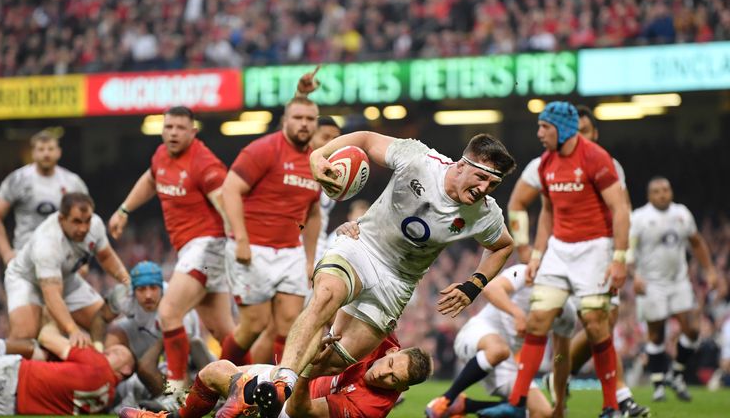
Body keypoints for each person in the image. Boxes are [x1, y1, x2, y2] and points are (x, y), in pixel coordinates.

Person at [250, 130, 516, 417]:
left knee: (339, 360)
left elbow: (503, 245)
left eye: (493, 183)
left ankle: (266, 384)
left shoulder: (485, 213)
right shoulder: (418, 160)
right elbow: (364, 139)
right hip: (363, 247)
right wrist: (319, 154)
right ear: (462, 164)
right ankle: (281, 383)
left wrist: (474, 285)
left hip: (397, 283)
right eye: (482, 176)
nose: (485, 188)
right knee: (326, 296)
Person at [506, 105, 649, 417]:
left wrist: (620, 259)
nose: (539, 133)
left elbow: (621, 210)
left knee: (597, 325)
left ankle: (612, 404)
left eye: (544, 127)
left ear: (561, 128)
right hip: (559, 248)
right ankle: (516, 403)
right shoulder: (544, 163)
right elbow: (547, 211)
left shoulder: (597, 159)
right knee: (537, 320)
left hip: (596, 248)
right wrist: (535, 254)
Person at [108, 106, 233, 395]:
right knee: (223, 331)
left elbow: (227, 205)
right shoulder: (161, 156)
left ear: (193, 132)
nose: (173, 132)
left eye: (180, 127)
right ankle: (251, 387)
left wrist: (240, 240)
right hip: (192, 248)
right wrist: (124, 210)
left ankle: (175, 393)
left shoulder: (204, 163)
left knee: (168, 312)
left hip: (208, 244)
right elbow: (151, 180)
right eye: (169, 127)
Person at [220, 70, 323, 367]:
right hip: (253, 248)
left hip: (290, 251)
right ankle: (219, 384)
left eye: (310, 119)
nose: (304, 124)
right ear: (285, 121)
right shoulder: (263, 149)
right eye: (298, 118)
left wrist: (309, 258)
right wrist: (241, 239)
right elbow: (230, 189)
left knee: (289, 323)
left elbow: (313, 213)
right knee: (254, 325)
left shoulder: (316, 160)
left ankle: (270, 393)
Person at [118, 333, 432, 418]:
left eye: (393, 380)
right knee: (214, 370)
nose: (383, 375)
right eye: (390, 366)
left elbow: (301, 409)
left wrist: (310, 369)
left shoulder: (371, 408)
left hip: (298, 406)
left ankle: (251, 397)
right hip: (291, 375)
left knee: (253, 392)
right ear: (393, 353)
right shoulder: (384, 342)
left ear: (402, 388)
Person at [426, 264, 575, 418]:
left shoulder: (567, 313)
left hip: (506, 360)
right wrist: (517, 313)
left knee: (542, 413)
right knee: (499, 349)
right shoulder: (526, 273)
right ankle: (446, 399)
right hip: (477, 333)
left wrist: (559, 403)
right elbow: (491, 289)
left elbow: (561, 359)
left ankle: (465, 405)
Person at [630, 176, 725, 402]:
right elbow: (627, 249)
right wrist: (634, 276)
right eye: (657, 191)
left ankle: (676, 373)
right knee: (656, 332)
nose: (662, 194)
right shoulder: (640, 218)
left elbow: (697, 242)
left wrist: (710, 269)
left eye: (666, 190)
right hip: (651, 283)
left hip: (679, 281)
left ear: (671, 192)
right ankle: (658, 384)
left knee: (692, 330)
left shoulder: (682, 213)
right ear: (649, 195)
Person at [4, 192, 131, 346]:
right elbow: (52, 296)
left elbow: (106, 257)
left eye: (87, 221)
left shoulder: (95, 225)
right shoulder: (47, 242)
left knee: (104, 326)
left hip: (65, 278)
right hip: (26, 280)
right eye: (77, 221)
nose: (84, 228)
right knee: (24, 339)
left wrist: (127, 281)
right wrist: (72, 330)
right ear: (61, 219)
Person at [93, 261, 210, 409]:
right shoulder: (123, 295)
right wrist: (97, 348)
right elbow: (100, 317)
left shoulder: (175, 303)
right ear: (133, 291)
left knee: (149, 367)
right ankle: (103, 380)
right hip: (147, 336)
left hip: (184, 353)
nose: (148, 295)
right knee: (116, 331)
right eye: (141, 289)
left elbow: (181, 360)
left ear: (161, 288)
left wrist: (179, 395)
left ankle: (176, 398)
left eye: (153, 288)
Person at [0, 323, 135, 415]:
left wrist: (54, 322)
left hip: (13, 376)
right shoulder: (107, 399)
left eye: (117, 353)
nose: (108, 350)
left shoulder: (98, 363)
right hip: (12, 407)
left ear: (126, 369)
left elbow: (46, 337)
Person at [0, 130, 88, 265]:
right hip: (25, 259)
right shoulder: (17, 180)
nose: (46, 153)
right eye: (41, 149)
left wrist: (83, 259)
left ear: (59, 152)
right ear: (33, 153)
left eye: (50, 149)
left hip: (63, 260)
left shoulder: (73, 182)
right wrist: (6, 253)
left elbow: (87, 221)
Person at [311, 116, 343, 263]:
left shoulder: (337, 173)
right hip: (294, 252)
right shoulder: (294, 170)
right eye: (325, 137)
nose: (332, 144)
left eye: (336, 139)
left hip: (319, 249)